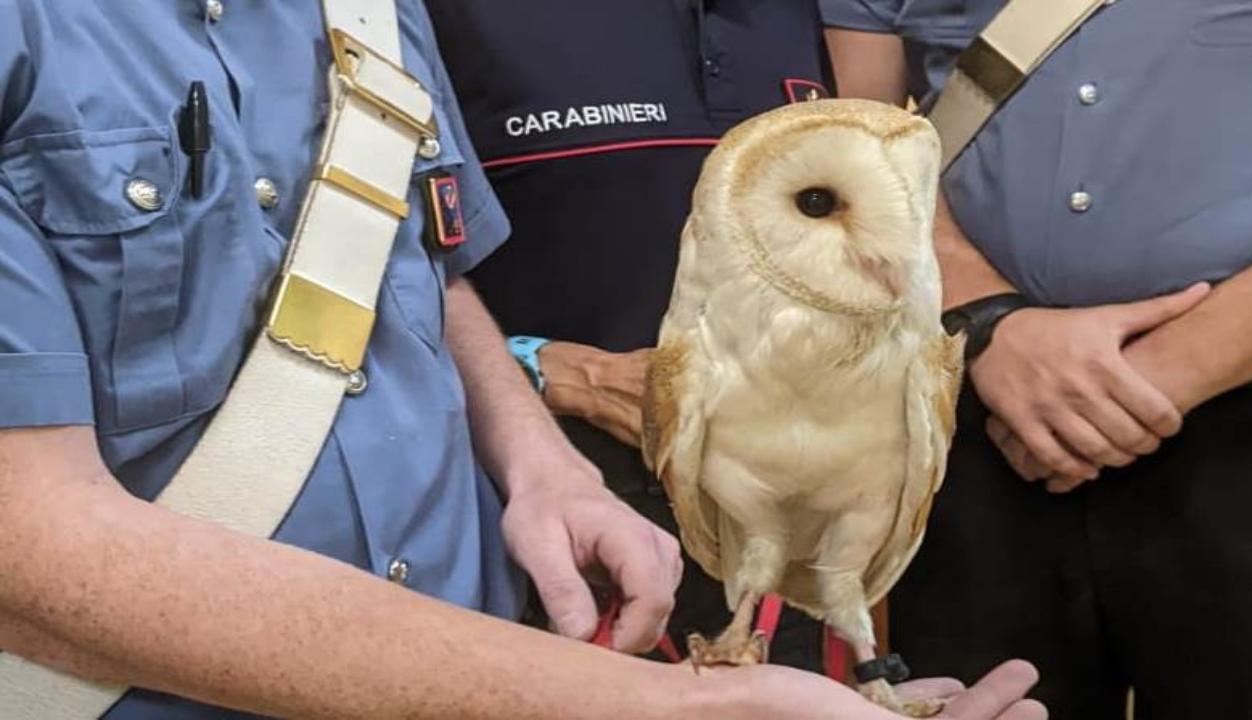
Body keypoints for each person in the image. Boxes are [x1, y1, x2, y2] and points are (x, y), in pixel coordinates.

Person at [0, 1, 1044, 718]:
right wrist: (669, 705)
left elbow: (407, 254)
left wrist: (538, 463)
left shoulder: (358, 9)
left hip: (480, 648)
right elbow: (32, 548)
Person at [823, 1, 1252, 718]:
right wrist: (992, 327)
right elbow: (838, 152)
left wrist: (1150, 382)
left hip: (1250, 417)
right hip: (969, 414)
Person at [425, 0, 836, 669]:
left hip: (766, 557)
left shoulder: (790, 15)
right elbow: (360, 279)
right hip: (546, 550)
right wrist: (549, 372)